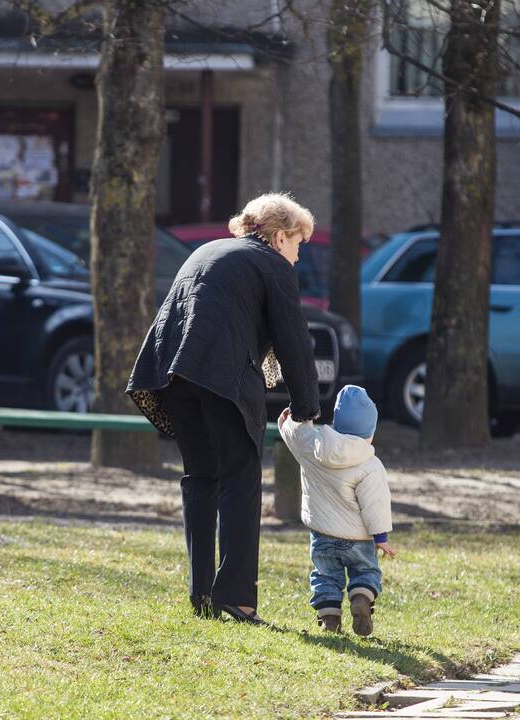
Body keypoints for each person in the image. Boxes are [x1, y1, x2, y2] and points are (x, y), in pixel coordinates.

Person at [127, 193, 322, 625]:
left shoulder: (209, 249)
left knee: (202, 476)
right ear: (279, 235)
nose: (297, 255)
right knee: (240, 476)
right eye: (297, 244)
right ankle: (236, 600)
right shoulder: (271, 263)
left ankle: (202, 595)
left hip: (171, 373)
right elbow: (294, 342)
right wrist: (307, 408)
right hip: (218, 374)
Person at [277, 385, 396, 635]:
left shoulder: (314, 446)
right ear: (370, 432)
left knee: (325, 576)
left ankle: (330, 618)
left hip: (322, 534)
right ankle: (361, 598)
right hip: (358, 539)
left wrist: (287, 422)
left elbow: (295, 436)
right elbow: (376, 503)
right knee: (365, 571)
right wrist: (381, 537)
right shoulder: (370, 465)